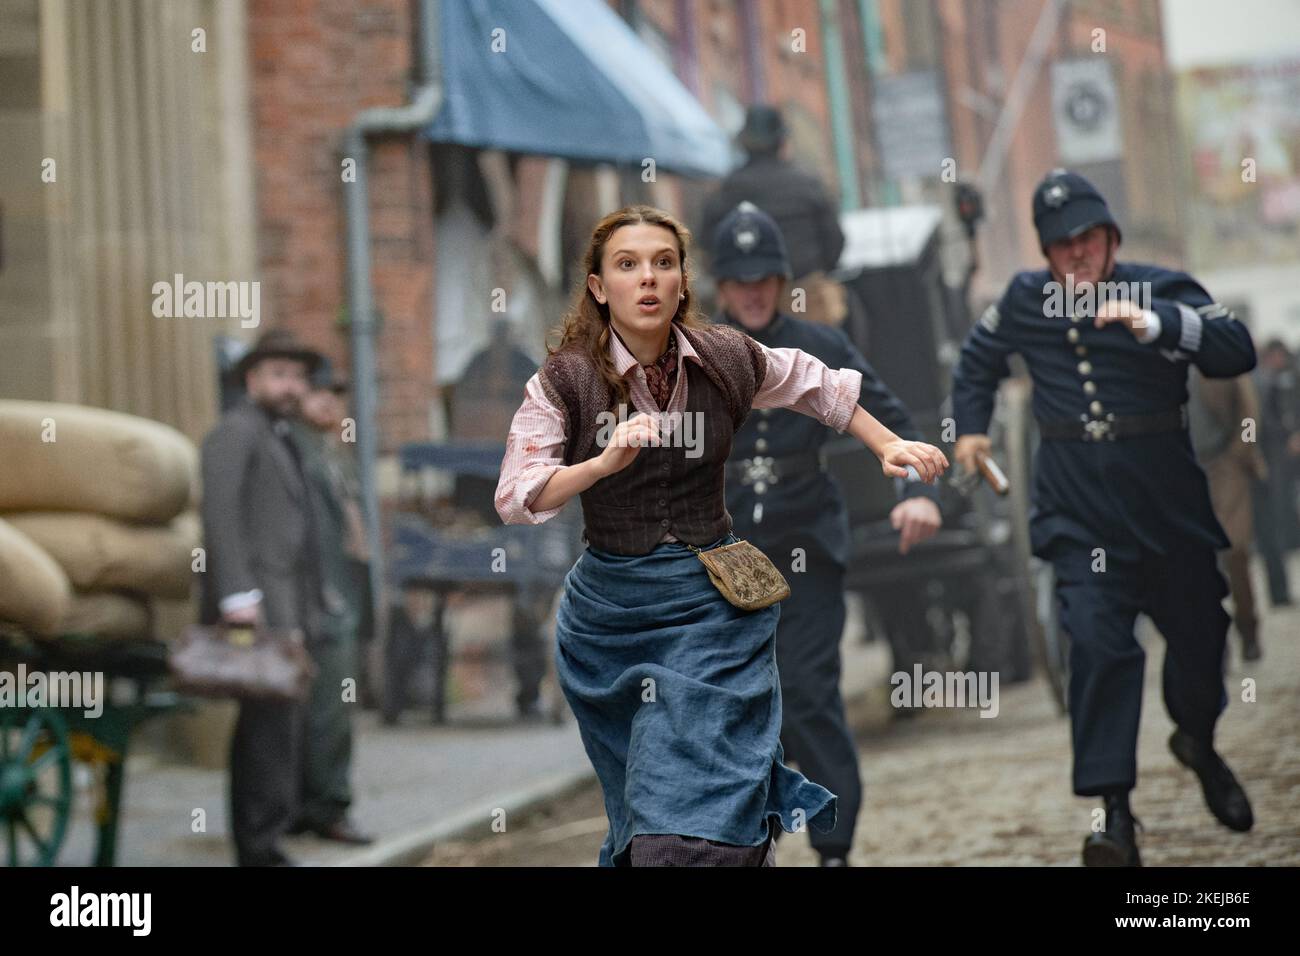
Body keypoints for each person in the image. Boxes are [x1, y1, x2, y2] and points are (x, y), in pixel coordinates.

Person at [494, 204, 948, 867]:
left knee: (688, 776)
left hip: (710, 605)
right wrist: (598, 464)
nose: (647, 279)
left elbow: (817, 384)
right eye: (627, 265)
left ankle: (745, 847)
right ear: (598, 286)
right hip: (610, 618)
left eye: (663, 263)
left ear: (682, 281)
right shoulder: (564, 381)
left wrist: (887, 445)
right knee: (644, 786)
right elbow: (516, 493)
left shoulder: (726, 357)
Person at [951, 169, 1257, 866]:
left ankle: (1199, 743)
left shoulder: (1161, 285)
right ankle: (1112, 815)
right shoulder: (1027, 299)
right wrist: (968, 430)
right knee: (1096, 647)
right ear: (1046, 253)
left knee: (1202, 638)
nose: (1076, 255)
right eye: (1060, 246)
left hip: (1168, 512)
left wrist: (1155, 325)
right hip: (1079, 518)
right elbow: (976, 364)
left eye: (1086, 238)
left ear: (1110, 237)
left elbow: (1232, 347)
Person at [711, 201, 943, 866]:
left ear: (784, 282)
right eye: (740, 280)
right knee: (736, 705)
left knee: (807, 690)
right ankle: (746, 844)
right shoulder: (696, 356)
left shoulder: (820, 347)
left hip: (805, 541)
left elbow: (893, 423)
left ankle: (833, 847)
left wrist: (912, 494)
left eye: (765, 278)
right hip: (723, 557)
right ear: (722, 288)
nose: (753, 292)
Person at [199, 328, 329, 867]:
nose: (290, 386)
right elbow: (221, 516)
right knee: (266, 725)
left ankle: (265, 839)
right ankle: (258, 848)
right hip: (255, 605)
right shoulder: (235, 432)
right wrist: (236, 597)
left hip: (286, 604)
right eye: (278, 375)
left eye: (297, 377)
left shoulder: (281, 435)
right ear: (252, 380)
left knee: (276, 723)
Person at [287, 365, 375, 845]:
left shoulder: (332, 452)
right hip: (320, 599)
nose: (328, 403)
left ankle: (314, 804)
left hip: (344, 594)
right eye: (318, 393)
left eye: (336, 394)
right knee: (325, 712)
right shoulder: (295, 450)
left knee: (332, 709)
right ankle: (327, 808)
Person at [701, 105, 847, 326]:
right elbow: (835, 242)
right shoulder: (807, 184)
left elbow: (707, 244)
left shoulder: (726, 190)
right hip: (805, 297)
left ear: (745, 144)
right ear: (781, 142)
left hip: (746, 306)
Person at [1187, 370, 1266, 661]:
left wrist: (1241, 450)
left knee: (1234, 550)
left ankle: (1248, 627)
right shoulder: (1160, 360)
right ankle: (1215, 639)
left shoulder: (1214, 354)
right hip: (1185, 471)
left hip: (1225, 464)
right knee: (1198, 560)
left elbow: (1248, 411)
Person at [1251, 339, 1300, 606]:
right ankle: (1278, 593)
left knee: (1272, 529)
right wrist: (1250, 450)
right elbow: (1250, 423)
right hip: (1265, 463)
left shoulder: (1262, 381)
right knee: (1270, 530)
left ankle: (1279, 592)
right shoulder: (1258, 382)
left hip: (1267, 460)